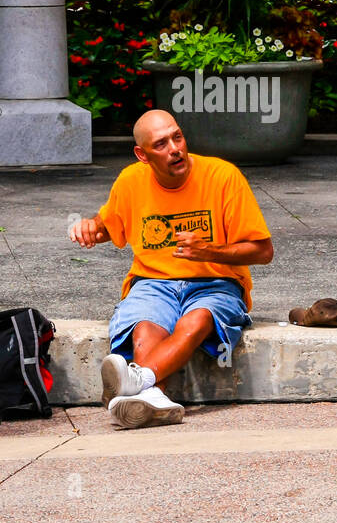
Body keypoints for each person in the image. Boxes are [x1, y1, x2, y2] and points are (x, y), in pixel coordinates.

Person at [68, 110, 274, 428]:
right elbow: (108, 223)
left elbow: (263, 252)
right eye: (161, 144)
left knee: (198, 319)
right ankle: (151, 397)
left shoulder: (223, 176)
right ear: (142, 155)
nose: (175, 148)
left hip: (216, 282)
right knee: (145, 328)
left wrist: (209, 250)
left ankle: (136, 382)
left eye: (177, 137)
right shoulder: (131, 180)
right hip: (152, 281)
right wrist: (90, 227)